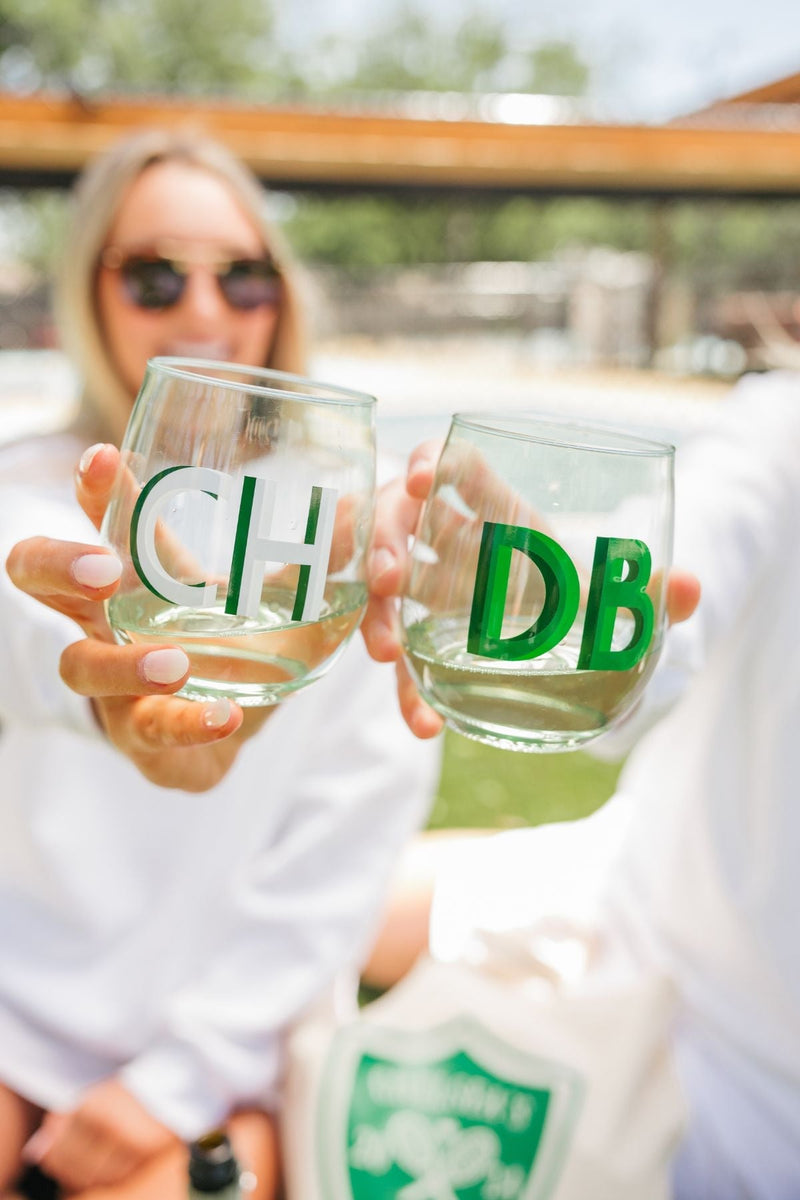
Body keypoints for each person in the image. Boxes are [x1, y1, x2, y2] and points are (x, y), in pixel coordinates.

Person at [0, 128, 440, 1200]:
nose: (205, 311)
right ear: (89, 293)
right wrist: (111, 687)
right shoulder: (28, 485)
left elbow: (347, 843)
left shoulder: (353, 535)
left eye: (241, 275)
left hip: (228, 1042)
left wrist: (176, 1086)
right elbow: (29, 634)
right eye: (155, 275)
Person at [361, 369, 800, 1199]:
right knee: (336, 907)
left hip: (741, 1098)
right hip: (632, 888)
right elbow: (645, 648)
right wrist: (538, 601)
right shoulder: (786, 431)